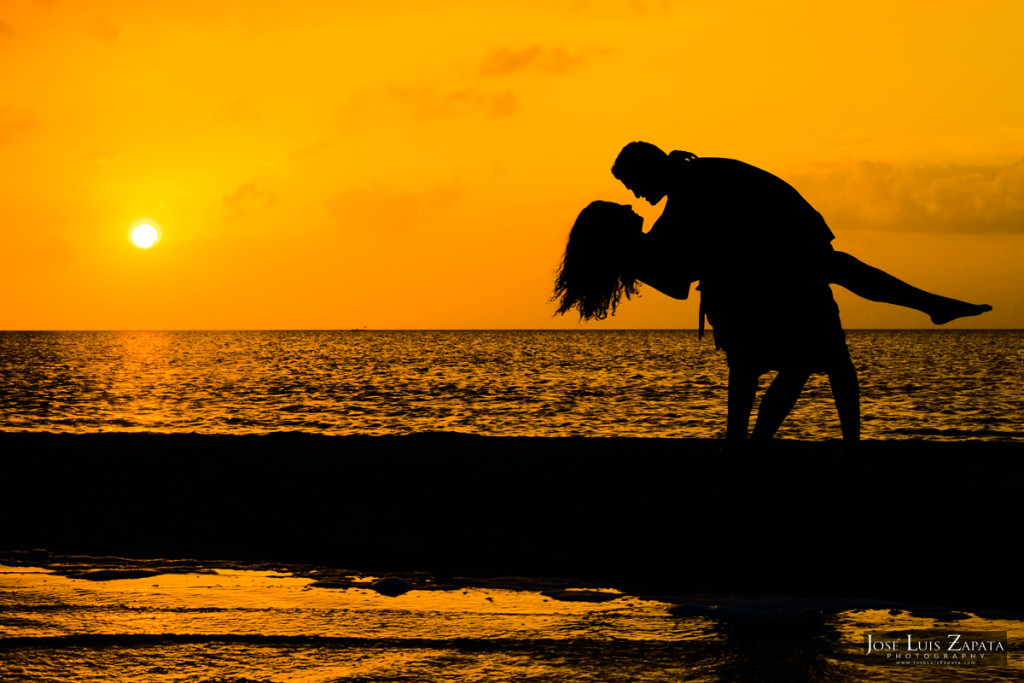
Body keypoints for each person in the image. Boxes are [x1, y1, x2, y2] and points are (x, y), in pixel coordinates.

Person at [553, 201, 859, 447]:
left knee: (753, 372)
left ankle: (742, 444)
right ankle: (753, 443)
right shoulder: (640, 252)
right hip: (734, 299)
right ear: (613, 229)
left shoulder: (640, 249)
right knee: (792, 366)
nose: (630, 207)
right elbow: (679, 283)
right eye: (619, 209)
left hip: (731, 299)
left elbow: (679, 281)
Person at [611, 142, 992, 325]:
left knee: (840, 270)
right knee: (842, 270)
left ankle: (933, 306)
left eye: (634, 184)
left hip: (789, 229)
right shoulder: (690, 179)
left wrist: (629, 257)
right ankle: (932, 306)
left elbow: (675, 264)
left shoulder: (689, 185)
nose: (637, 196)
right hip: (784, 231)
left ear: (651, 169)